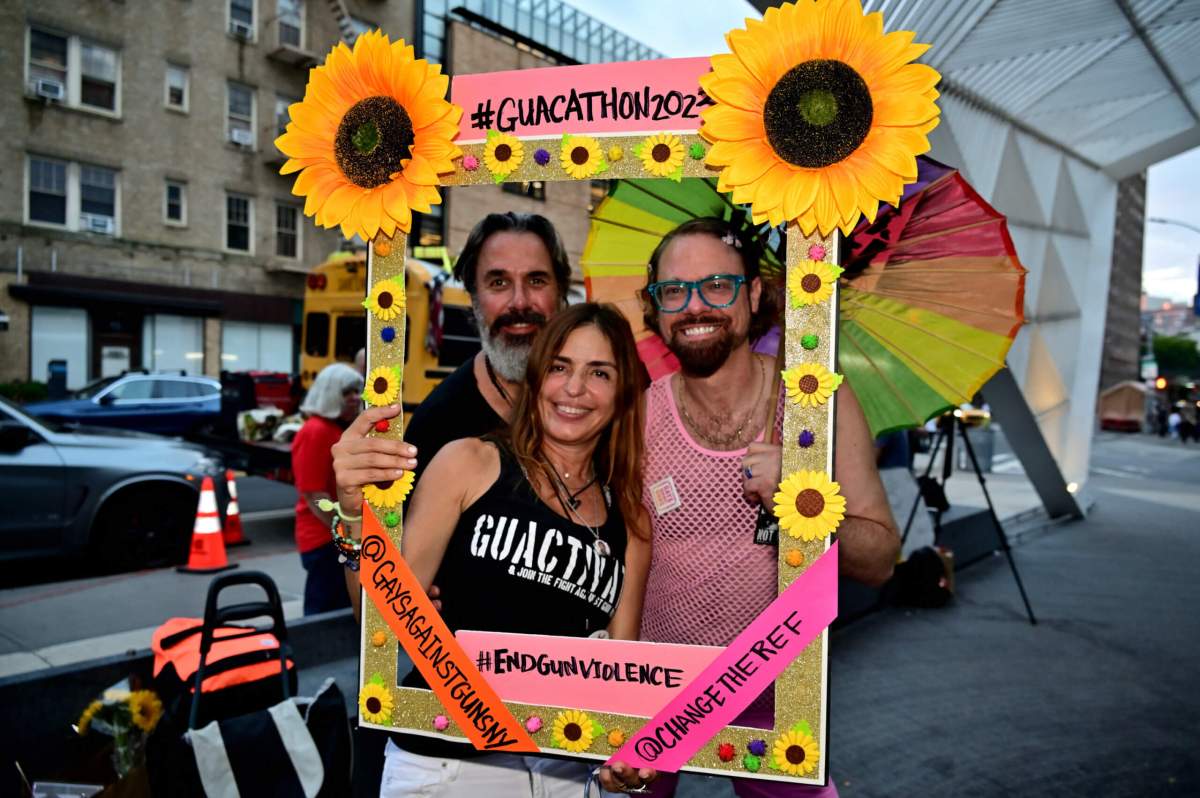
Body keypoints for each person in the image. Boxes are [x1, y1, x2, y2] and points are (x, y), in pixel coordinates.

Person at [600, 218, 900, 796]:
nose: (695, 306)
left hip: (776, 696)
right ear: (655, 307)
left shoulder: (817, 406)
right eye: (674, 291)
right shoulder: (638, 414)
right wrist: (618, 685)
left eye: (717, 285)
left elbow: (880, 557)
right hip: (657, 694)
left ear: (754, 294)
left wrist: (803, 501)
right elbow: (629, 559)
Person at [335, 303, 652, 797]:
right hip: (449, 763)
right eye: (560, 367)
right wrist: (355, 518)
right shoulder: (470, 461)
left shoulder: (631, 524)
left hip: (564, 771)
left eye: (600, 373)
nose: (574, 389)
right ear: (537, 376)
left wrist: (629, 754)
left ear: (623, 393)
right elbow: (378, 621)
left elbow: (619, 678)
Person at [403, 211, 573, 484]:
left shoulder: (593, 406)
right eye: (499, 283)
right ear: (473, 298)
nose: (519, 302)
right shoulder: (438, 425)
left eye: (536, 280)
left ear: (561, 291)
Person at [291, 362, 363, 615]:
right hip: (323, 540)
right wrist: (347, 534)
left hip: (334, 539)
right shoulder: (316, 431)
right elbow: (314, 495)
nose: (356, 398)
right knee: (323, 616)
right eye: (347, 393)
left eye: (357, 390)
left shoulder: (335, 429)